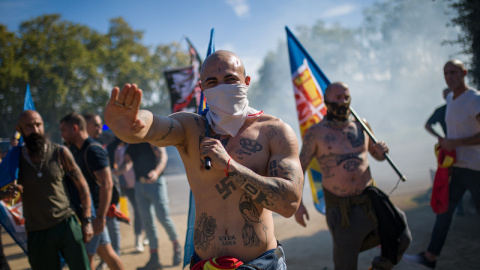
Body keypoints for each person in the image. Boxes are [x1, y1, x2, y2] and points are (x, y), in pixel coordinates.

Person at [104, 50, 303, 270]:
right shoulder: (191, 128)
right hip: (205, 264)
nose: (222, 87)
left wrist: (230, 166)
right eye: (212, 82)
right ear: (202, 89)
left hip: (260, 264)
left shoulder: (274, 131)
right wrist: (132, 124)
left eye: (230, 79)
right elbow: (153, 126)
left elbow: (289, 203)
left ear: (246, 82)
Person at [294, 82, 412, 270]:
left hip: (370, 199)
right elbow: (299, 167)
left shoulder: (361, 125)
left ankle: (379, 267)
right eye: (338, 98)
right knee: (345, 263)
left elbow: (375, 155)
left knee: (401, 236)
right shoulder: (316, 133)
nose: (343, 101)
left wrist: (381, 151)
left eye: (346, 97)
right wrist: (298, 204)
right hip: (342, 210)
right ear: (327, 101)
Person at [403, 60, 480, 269]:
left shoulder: (474, 99)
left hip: (476, 168)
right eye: (446, 73)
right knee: (443, 211)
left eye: (453, 72)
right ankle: (429, 257)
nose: (449, 76)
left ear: (464, 73)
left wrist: (458, 142)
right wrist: (446, 143)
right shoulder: (451, 100)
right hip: (456, 167)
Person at [12, 110, 93, 269]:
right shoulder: (14, 160)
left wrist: (87, 220)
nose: (35, 129)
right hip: (37, 231)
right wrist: (8, 192)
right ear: (19, 129)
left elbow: (83, 186)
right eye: (28, 126)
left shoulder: (60, 152)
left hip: (66, 224)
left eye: (38, 124)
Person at [60, 112, 124, 270]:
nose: (62, 135)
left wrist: (100, 218)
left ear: (75, 128)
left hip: (95, 214)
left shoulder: (93, 150)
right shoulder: (77, 150)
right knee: (107, 253)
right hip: (90, 214)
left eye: (64, 130)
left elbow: (107, 184)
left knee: (86, 259)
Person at [115, 143, 181, 269]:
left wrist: (156, 172)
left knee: (163, 217)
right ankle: (154, 258)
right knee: (148, 222)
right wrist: (117, 171)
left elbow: (163, 156)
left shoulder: (151, 139)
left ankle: (177, 246)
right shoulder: (131, 143)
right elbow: (127, 162)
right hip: (139, 185)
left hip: (156, 183)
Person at [111, 138, 145, 253]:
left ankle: (139, 239)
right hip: (123, 185)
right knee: (120, 209)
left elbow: (128, 164)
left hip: (136, 184)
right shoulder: (119, 149)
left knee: (139, 211)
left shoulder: (134, 145)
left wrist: (117, 172)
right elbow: (117, 164)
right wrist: (115, 173)